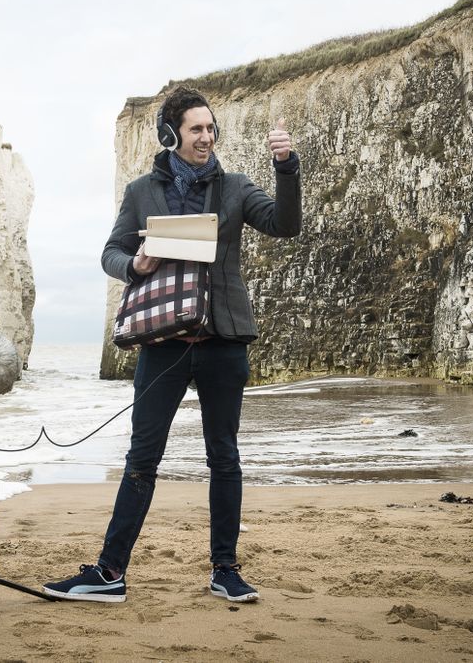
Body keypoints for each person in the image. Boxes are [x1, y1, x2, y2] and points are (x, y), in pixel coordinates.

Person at [43, 86, 301, 604]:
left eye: (211, 128)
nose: (207, 137)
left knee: (224, 458)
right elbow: (111, 253)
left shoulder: (234, 188)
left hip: (224, 341)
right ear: (170, 135)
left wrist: (287, 168)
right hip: (162, 343)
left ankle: (225, 570)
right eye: (196, 129)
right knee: (142, 458)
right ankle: (110, 573)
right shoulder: (142, 192)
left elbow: (285, 225)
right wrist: (133, 265)